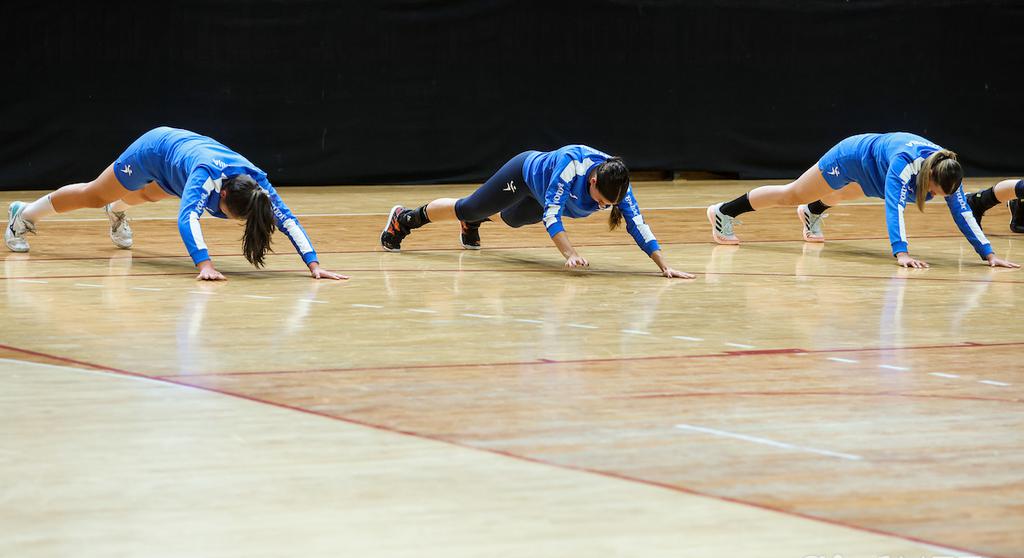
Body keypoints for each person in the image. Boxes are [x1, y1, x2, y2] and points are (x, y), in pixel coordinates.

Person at [5, 126, 347, 281]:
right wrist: (205, 264)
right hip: (155, 150)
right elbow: (188, 220)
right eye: (230, 216)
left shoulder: (257, 186)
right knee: (95, 195)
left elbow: (287, 219)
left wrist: (314, 265)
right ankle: (24, 216)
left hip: (177, 167)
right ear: (222, 196)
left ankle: (118, 210)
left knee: (150, 194)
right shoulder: (205, 176)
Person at [706, 132, 1019, 269]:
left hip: (872, 171)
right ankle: (723, 212)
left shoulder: (948, 171)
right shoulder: (904, 163)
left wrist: (988, 254)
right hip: (852, 156)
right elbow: (894, 208)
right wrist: (902, 253)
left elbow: (963, 211)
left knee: (849, 193)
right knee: (794, 194)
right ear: (930, 177)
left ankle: (812, 212)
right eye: (938, 192)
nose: (940, 198)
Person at [379, 145, 694, 278]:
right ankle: (406, 219)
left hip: (542, 197)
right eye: (600, 200)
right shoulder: (571, 166)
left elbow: (638, 224)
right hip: (524, 177)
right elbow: (552, 216)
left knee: (512, 221)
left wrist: (663, 266)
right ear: (593, 179)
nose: (602, 207)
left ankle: (473, 222)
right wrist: (569, 253)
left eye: (608, 206)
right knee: (471, 206)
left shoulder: (619, 185)